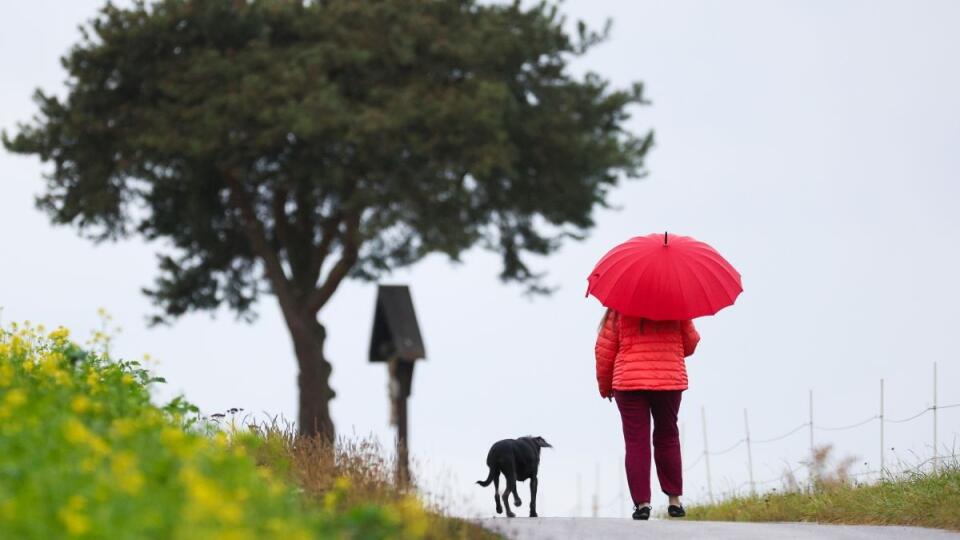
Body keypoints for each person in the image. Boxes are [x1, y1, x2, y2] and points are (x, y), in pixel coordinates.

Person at [595, 308, 700, 520]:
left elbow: (605, 350)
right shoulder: (677, 305)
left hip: (629, 382)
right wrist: (668, 347)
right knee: (668, 437)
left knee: (636, 443)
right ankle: (674, 501)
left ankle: (642, 504)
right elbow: (690, 343)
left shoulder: (620, 308)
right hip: (668, 380)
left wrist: (605, 386)